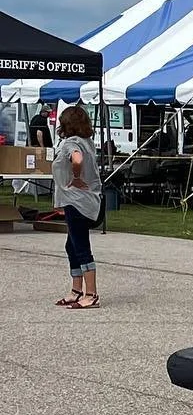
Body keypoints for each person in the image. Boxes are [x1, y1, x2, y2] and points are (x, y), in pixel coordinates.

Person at [52, 105, 103, 309]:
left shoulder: (70, 143)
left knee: (81, 246)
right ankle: (76, 290)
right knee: (71, 245)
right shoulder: (87, 142)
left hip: (77, 201)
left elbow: (77, 159)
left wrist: (75, 177)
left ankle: (91, 294)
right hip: (88, 201)